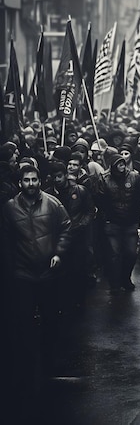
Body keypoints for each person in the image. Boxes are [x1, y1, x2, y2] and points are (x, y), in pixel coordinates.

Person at [2, 165, 72, 398]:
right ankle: (28, 362)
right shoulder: (10, 208)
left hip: (49, 271)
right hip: (23, 272)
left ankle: (50, 357)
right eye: (26, 180)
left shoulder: (52, 204)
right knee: (23, 320)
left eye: (34, 180)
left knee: (51, 317)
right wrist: (11, 268)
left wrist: (58, 253)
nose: (30, 184)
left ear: (40, 181)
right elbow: (7, 240)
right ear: (20, 183)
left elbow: (65, 228)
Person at [46, 161, 96, 310]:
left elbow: (90, 210)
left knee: (78, 269)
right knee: (61, 271)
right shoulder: (48, 194)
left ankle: (79, 300)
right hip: (57, 238)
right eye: (54, 177)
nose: (57, 180)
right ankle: (64, 301)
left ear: (66, 175)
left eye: (60, 176)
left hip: (77, 237)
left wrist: (81, 225)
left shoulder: (80, 191)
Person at [97, 153, 140, 293]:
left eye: (123, 163)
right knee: (114, 254)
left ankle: (126, 278)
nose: (122, 166)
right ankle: (115, 282)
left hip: (131, 222)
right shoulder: (104, 179)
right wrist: (105, 221)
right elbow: (100, 202)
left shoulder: (134, 177)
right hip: (113, 222)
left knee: (131, 253)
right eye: (118, 164)